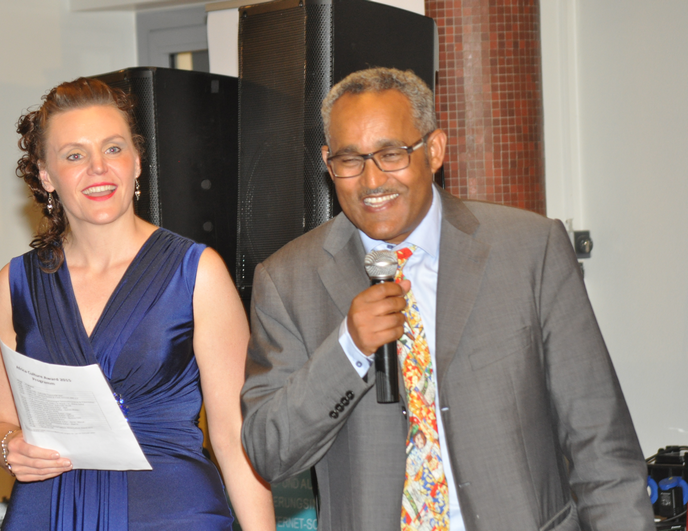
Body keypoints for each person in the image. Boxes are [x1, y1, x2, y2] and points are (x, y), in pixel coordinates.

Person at [241, 67, 654, 531]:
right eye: (350, 159)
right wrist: (349, 350)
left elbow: (601, 444)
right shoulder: (287, 280)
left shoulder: (529, 249)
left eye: (391, 154)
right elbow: (269, 451)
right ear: (327, 162)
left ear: (434, 150)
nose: (371, 180)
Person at [0, 77, 275, 530]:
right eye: (75, 155)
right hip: (47, 513)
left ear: (137, 161)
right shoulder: (16, 283)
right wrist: (10, 448)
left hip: (171, 514)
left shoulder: (196, 272)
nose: (98, 168)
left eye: (113, 148)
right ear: (46, 175)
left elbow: (234, 435)